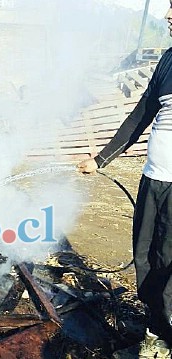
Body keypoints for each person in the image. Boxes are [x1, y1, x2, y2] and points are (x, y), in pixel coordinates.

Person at [78, 4, 172, 357]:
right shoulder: (167, 60)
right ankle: (155, 329)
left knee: (168, 259)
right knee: (145, 255)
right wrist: (100, 159)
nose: (168, 17)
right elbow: (141, 113)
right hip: (153, 179)